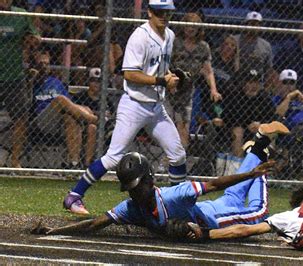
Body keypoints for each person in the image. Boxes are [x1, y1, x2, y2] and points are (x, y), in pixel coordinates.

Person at [32, 121, 290, 235]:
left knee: (259, 212)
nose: (134, 194)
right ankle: (257, 146)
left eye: (136, 187)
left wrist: (252, 174)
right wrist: (55, 231)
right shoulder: (131, 208)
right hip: (211, 209)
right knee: (234, 196)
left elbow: (214, 184)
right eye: (130, 189)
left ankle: (257, 152)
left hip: (216, 220)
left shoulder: (173, 194)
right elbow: (94, 224)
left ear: (150, 181)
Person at [63, 0, 186, 215]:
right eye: (159, 12)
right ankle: (74, 196)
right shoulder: (140, 36)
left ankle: (175, 205)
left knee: (178, 155)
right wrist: (161, 81)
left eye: (167, 12)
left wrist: (172, 79)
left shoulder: (170, 36)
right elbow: (129, 74)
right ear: (149, 12)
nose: (164, 16)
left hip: (156, 106)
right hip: (134, 105)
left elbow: (159, 70)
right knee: (113, 158)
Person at [29, 50, 98, 169]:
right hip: (41, 122)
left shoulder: (56, 82)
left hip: (60, 122)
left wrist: (83, 109)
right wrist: (31, 79)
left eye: (46, 64)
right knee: (60, 99)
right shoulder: (30, 82)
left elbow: (70, 105)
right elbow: (25, 103)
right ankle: (94, 118)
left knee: (79, 120)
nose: (44, 67)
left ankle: (77, 165)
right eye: (41, 64)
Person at [168, 12, 222, 148]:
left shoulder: (203, 47)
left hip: (187, 90)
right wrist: (169, 82)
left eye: (194, 26)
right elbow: (165, 64)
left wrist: (213, 90)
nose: (191, 29)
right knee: (168, 123)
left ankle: (180, 156)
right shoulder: (175, 43)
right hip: (170, 88)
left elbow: (208, 70)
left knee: (184, 124)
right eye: (188, 25)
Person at [0, 0, 40, 168]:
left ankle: (15, 160)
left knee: (21, 118)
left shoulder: (20, 14)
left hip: (14, 75)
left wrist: (32, 39)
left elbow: (35, 37)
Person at [221, 68, 276, 158]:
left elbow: (272, 117)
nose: (254, 86)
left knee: (269, 132)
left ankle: (264, 166)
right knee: (238, 132)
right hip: (236, 129)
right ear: (243, 84)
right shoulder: (235, 95)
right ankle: (238, 165)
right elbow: (228, 117)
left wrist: (260, 124)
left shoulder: (264, 97)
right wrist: (246, 124)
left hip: (258, 129)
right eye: (250, 83)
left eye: (257, 83)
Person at [70, 68, 113, 167]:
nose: (96, 84)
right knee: (91, 127)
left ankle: (87, 164)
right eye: (93, 80)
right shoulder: (80, 97)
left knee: (93, 128)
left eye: (99, 81)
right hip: (81, 127)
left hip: (103, 129)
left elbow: (110, 117)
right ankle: (86, 164)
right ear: (88, 82)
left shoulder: (106, 100)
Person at [233, 11, 275, 88]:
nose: (254, 27)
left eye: (257, 24)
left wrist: (266, 86)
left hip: (257, 83)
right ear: (246, 25)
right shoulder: (234, 40)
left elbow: (268, 69)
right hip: (237, 82)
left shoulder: (266, 45)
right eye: (252, 24)